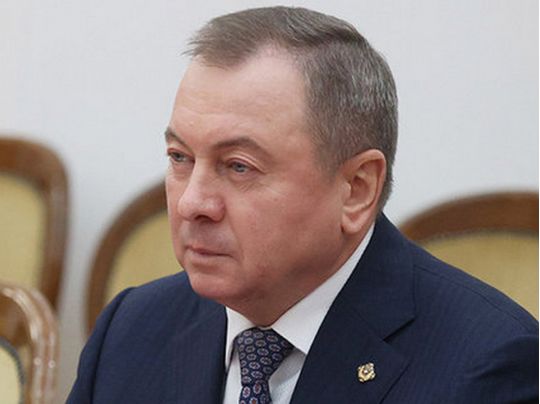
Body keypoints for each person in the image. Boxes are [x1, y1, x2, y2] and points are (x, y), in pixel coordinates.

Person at [68, 6, 538, 404]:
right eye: (180, 158)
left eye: (239, 167)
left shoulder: (488, 368)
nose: (193, 202)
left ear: (356, 189)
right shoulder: (131, 329)